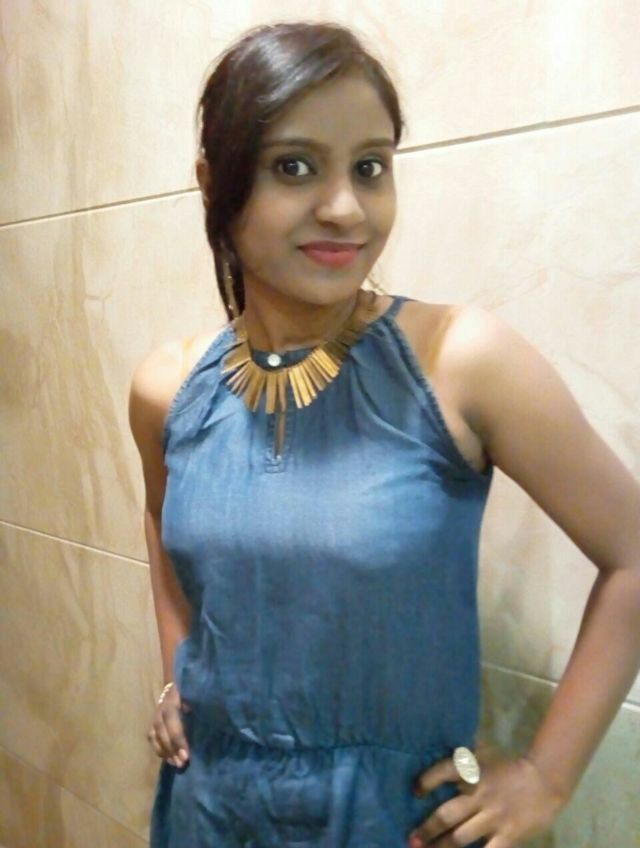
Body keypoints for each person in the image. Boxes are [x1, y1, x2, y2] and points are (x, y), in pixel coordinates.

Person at [128, 21, 640, 848]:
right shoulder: (168, 389)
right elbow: (163, 522)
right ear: (213, 181)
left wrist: (546, 776)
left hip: (389, 821)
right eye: (294, 166)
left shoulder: (461, 363)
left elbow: (634, 553)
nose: (345, 208)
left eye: (370, 167)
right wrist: (175, 671)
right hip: (207, 811)